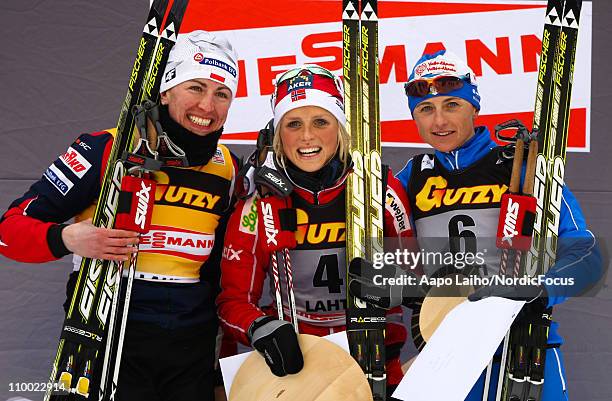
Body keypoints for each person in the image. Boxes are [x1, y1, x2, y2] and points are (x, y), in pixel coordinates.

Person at [348, 50, 602, 400]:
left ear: (474, 106)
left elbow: (586, 254)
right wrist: (384, 283)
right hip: (446, 353)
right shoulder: (410, 179)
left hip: (522, 346)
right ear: (415, 118)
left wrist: (539, 289)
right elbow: (396, 266)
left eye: (452, 104)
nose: (439, 120)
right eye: (426, 109)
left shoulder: (521, 167)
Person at [0, 30, 240, 401]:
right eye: (195, 87)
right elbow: (9, 231)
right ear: (165, 91)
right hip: (111, 326)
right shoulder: (105, 148)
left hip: (190, 345)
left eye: (221, 93)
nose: (207, 106)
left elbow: (222, 269)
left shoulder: (228, 169)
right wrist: (66, 238)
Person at [216, 64, 414, 398]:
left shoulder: (378, 188)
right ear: (279, 134)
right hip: (299, 371)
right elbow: (232, 301)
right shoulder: (260, 201)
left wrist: (390, 284)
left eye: (320, 121)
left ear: (340, 128)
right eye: (293, 124)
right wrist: (258, 326)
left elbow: (419, 276)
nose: (307, 136)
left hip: (375, 365)